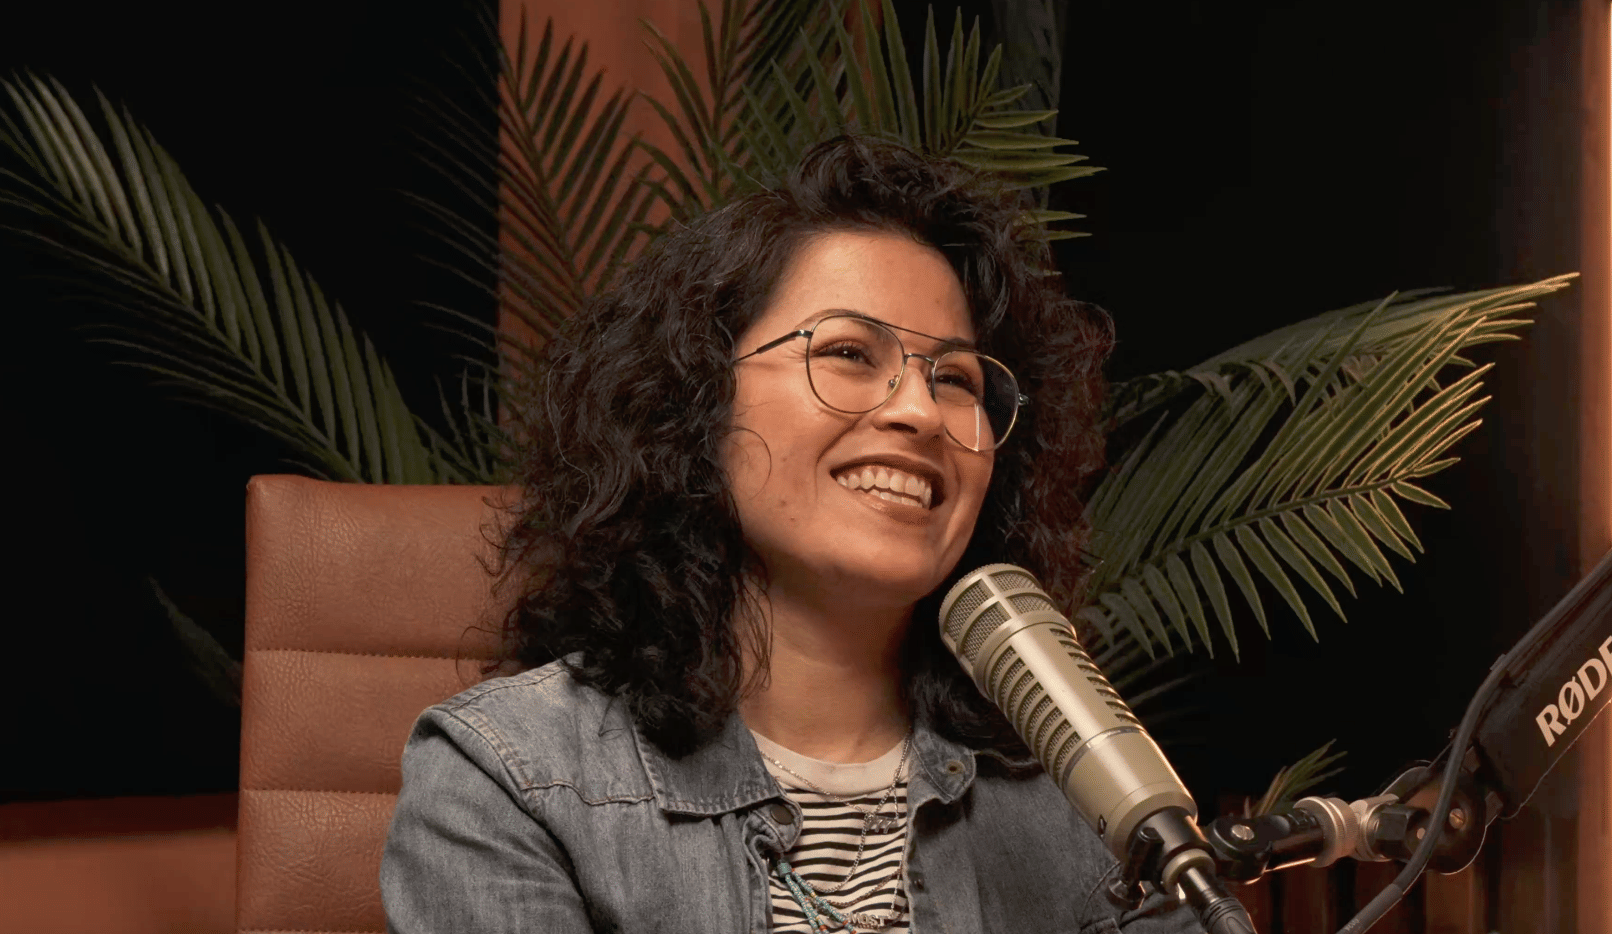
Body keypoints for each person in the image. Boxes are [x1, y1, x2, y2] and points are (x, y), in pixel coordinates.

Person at [380, 136, 1200, 933]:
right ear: (696, 403)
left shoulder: (1086, 799)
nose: (920, 412)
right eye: (849, 352)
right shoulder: (509, 777)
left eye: (956, 378)